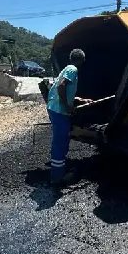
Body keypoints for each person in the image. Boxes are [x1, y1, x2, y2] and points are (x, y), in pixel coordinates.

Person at [46, 48, 87, 186]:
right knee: (60, 142)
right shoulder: (73, 69)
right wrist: (67, 106)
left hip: (54, 109)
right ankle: (57, 178)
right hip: (59, 111)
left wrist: (82, 100)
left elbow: (65, 90)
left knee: (61, 141)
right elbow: (61, 86)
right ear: (82, 60)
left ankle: (59, 171)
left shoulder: (66, 68)